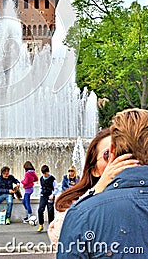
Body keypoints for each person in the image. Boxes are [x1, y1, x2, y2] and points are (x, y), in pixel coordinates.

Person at [57, 109, 146, 258]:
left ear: (112, 151)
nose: (114, 162)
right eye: (106, 157)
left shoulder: (83, 213)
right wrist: (98, 189)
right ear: (94, 170)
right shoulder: (80, 210)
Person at [37, 164, 58, 233]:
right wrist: (40, 193)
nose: (45, 175)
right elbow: (40, 187)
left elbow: (56, 188)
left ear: (48, 172)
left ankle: (51, 226)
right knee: (40, 210)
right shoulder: (41, 178)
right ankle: (41, 225)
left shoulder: (52, 179)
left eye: (46, 173)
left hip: (50, 196)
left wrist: (53, 195)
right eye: (44, 173)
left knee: (50, 211)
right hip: (43, 196)